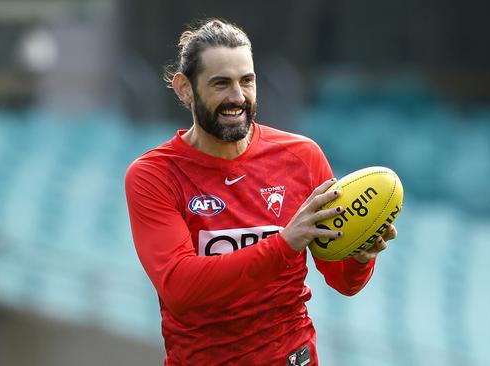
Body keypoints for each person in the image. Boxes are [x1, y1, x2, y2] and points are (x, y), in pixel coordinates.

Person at [124, 18, 397, 365]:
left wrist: (361, 254)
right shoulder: (154, 174)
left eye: (247, 81)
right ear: (184, 89)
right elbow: (180, 288)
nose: (237, 97)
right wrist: (284, 244)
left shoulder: (302, 156)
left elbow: (343, 280)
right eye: (221, 83)